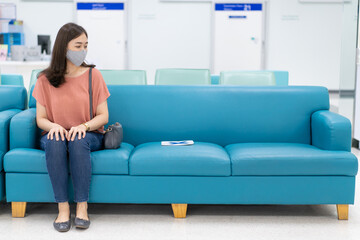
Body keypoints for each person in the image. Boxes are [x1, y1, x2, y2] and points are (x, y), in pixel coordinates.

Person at [32, 22, 110, 232]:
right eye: (78, 46)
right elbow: (41, 119)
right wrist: (53, 126)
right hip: (56, 133)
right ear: (63, 47)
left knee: (77, 139)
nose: (83, 50)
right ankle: (63, 209)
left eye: (85, 45)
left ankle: (82, 207)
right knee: (56, 140)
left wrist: (83, 126)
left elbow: (103, 116)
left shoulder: (94, 76)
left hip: (88, 135)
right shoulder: (44, 79)